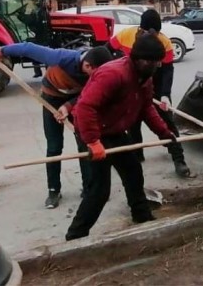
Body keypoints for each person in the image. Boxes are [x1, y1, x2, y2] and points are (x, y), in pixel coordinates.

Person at [65, 34, 177, 241]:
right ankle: (75, 237)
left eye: (157, 62)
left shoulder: (144, 77)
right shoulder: (113, 74)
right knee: (100, 190)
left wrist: (165, 133)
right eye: (151, 62)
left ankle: (141, 216)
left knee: (133, 170)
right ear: (137, 58)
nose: (155, 66)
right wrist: (92, 142)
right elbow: (85, 108)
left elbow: (146, 108)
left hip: (114, 130)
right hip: (93, 132)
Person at [0, 43, 113, 209]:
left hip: (78, 100)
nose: (99, 77)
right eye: (96, 73)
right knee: (54, 147)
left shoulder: (99, 73)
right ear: (87, 65)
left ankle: (89, 187)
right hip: (51, 97)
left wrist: (69, 106)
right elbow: (27, 48)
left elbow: (90, 93)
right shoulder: (62, 57)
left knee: (85, 143)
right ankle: (54, 190)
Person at [108, 9, 191, 177]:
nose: (153, 34)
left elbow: (167, 70)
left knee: (167, 122)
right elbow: (106, 49)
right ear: (141, 29)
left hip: (156, 89)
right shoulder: (126, 35)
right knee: (132, 124)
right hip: (130, 89)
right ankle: (137, 155)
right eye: (149, 31)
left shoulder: (164, 42)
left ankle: (178, 158)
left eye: (156, 32)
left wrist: (165, 94)